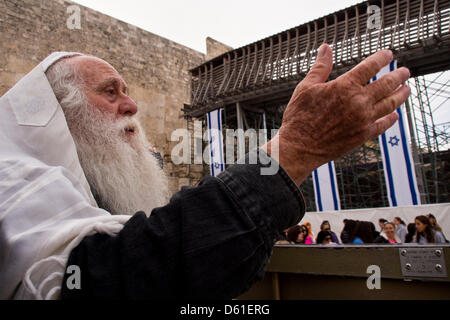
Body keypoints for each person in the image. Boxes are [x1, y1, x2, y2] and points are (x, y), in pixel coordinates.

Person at [0, 44, 411, 299]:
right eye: (110, 92)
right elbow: (112, 278)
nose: (131, 106)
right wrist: (296, 148)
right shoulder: (10, 179)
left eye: (126, 92)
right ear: (61, 109)